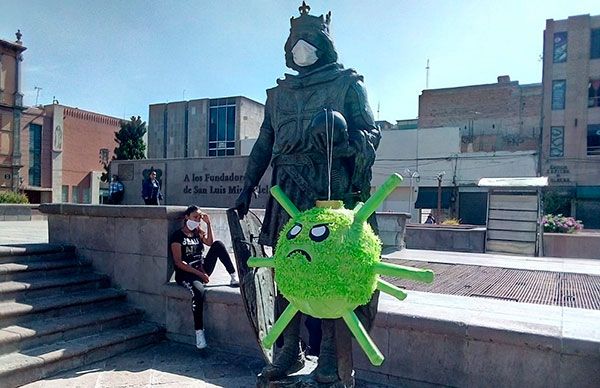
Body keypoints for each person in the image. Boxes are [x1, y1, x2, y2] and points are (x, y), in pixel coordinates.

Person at [235, 3, 381, 383]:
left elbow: (372, 133)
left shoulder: (348, 83)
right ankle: (289, 351)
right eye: (296, 41)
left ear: (325, 43)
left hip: (330, 188)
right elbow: (265, 142)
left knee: (332, 269)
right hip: (288, 189)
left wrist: (341, 134)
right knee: (289, 268)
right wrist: (247, 187)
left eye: (310, 39)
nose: (302, 47)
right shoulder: (278, 94)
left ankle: (332, 357)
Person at [170, 205, 239, 349]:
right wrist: (200, 275)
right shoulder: (177, 236)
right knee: (199, 292)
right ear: (186, 217)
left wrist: (208, 224)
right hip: (187, 273)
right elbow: (178, 262)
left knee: (218, 245)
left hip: (201, 269)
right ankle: (199, 333)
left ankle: (233, 276)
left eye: (199, 217)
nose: (197, 220)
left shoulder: (197, 232)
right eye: (195, 217)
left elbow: (210, 243)